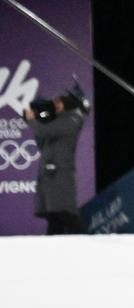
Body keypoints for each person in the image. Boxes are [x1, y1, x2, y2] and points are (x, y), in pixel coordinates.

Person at [23, 88, 90, 235]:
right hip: (49, 174)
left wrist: (32, 120)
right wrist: (37, 120)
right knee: (53, 216)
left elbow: (46, 131)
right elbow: (42, 143)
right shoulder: (58, 119)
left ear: (69, 102)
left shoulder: (73, 117)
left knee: (65, 213)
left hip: (61, 174)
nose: (55, 105)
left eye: (59, 102)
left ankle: (84, 242)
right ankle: (52, 246)